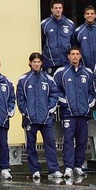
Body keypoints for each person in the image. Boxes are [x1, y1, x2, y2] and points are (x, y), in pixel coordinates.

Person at [17, 52, 61, 181]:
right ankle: (35, 169)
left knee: (50, 144)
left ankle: (54, 169)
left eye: (38, 62)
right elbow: (20, 98)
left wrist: (50, 110)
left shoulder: (48, 79)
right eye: (34, 62)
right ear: (30, 63)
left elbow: (54, 94)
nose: (36, 64)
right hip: (30, 119)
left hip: (46, 118)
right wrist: (25, 112)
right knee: (31, 145)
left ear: (41, 63)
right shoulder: (23, 79)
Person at [53, 46, 96, 178]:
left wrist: (88, 104)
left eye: (77, 54)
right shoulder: (61, 72)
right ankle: (68, 167)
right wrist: (65, 102)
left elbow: (92, 92)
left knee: (82, 141)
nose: (75, 56)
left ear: (81, 56)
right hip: (68, 114)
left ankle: (78, 166)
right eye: (72, 54)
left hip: (83, 113)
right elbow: (55, 90)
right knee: (68, 141)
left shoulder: (88, 73)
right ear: (68, 56)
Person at [40, 0, 74, 72]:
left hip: (66, 63)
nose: (58, 10)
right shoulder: (44, 24)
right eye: (56, 8)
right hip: (50, 63)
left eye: (60, 8)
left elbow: (73, 44)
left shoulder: (70, 24)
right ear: (52, 9)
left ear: (62, 9)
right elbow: (41, 43)